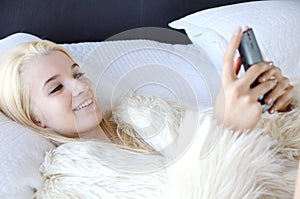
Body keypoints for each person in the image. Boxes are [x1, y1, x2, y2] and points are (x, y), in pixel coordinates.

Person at [0, 27, 298, 198]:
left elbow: (260, 154)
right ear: (34, 117)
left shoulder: (146, 113)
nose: (79, 88)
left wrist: (281, 109)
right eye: (56, 88)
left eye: (77, 75)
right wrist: (230, 130)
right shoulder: (67, 184)